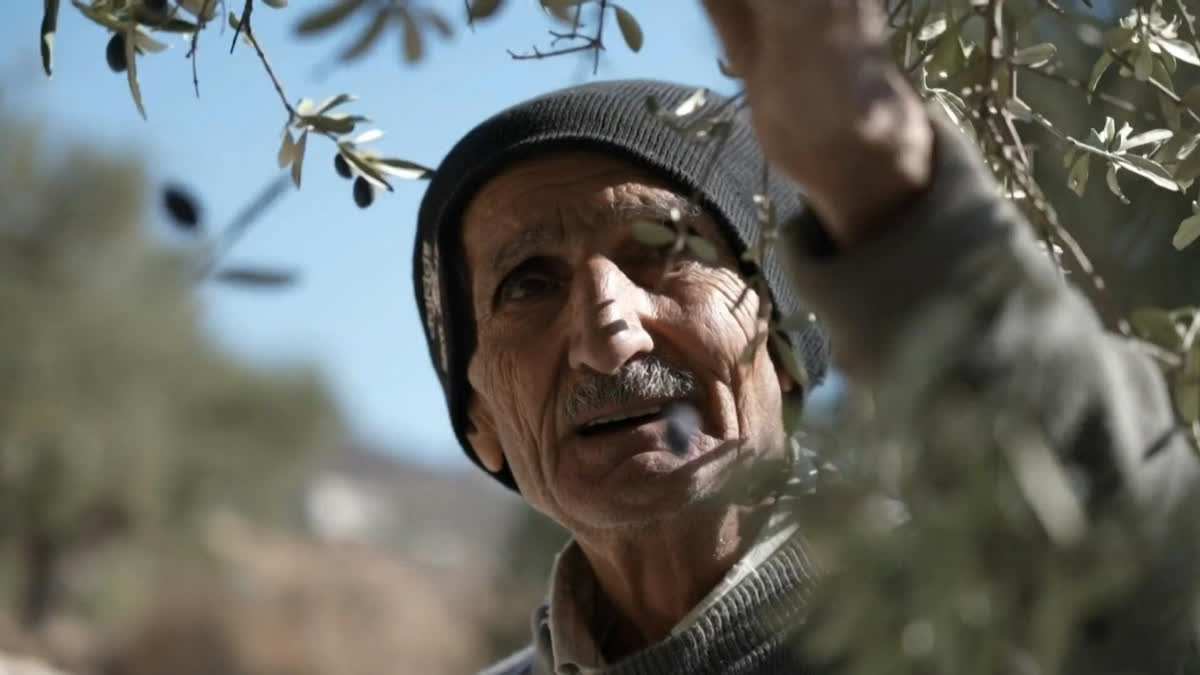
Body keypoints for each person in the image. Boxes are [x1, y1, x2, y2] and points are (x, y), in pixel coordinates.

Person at [412, 2, 1199, 673]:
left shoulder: (984, 625)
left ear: (784, 343)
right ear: (479, 421)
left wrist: (874, 174)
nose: (608, 335)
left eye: (665, 251)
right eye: (530, 285)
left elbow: (1156, 592)